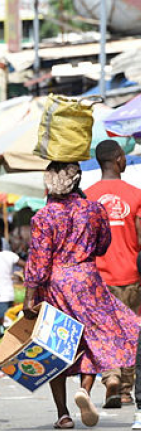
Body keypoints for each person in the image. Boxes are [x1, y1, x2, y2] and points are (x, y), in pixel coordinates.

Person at [24, 161, 140, 429]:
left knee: (57, 345)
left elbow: (38, 262)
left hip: (56, 284)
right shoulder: (94, 209)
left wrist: (29, 297)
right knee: (91, 339)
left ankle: (63, 414)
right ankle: (85, 391)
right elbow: (102, 246)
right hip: (88, 280)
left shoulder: (43, 217)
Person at [84, 140, 141, 409]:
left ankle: (111, 379)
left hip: (98, 279)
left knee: (105, 333)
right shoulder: (136, 194)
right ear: (118, 159)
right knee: (130, 333)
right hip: (131, 275)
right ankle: (127, 389)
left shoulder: (87, 196)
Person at [0, 232, 25, 362]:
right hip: (10, 294)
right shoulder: (10, 255)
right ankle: (8, 351)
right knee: (8, 324)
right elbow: (26, 265)